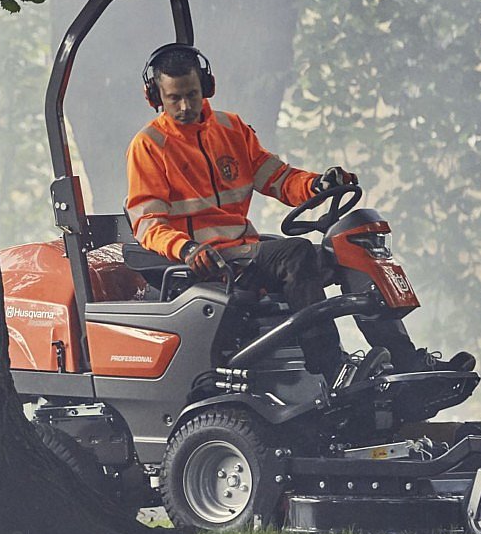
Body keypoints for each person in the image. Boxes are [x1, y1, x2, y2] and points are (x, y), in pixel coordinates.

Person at [124, 42, 355, 377]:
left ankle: (401, 361)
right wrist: (186, 249)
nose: (186, 105)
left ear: (207, 86)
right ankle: (330, 367)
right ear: (155, 98)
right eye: (174, 98)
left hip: (243, 253)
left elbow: (277, 177)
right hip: (208, 262)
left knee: (349, 250)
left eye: (192, 93)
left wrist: (316, 185)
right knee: (296, 252)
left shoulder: (231, 129)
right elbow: (147, 224)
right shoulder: (149, 146)